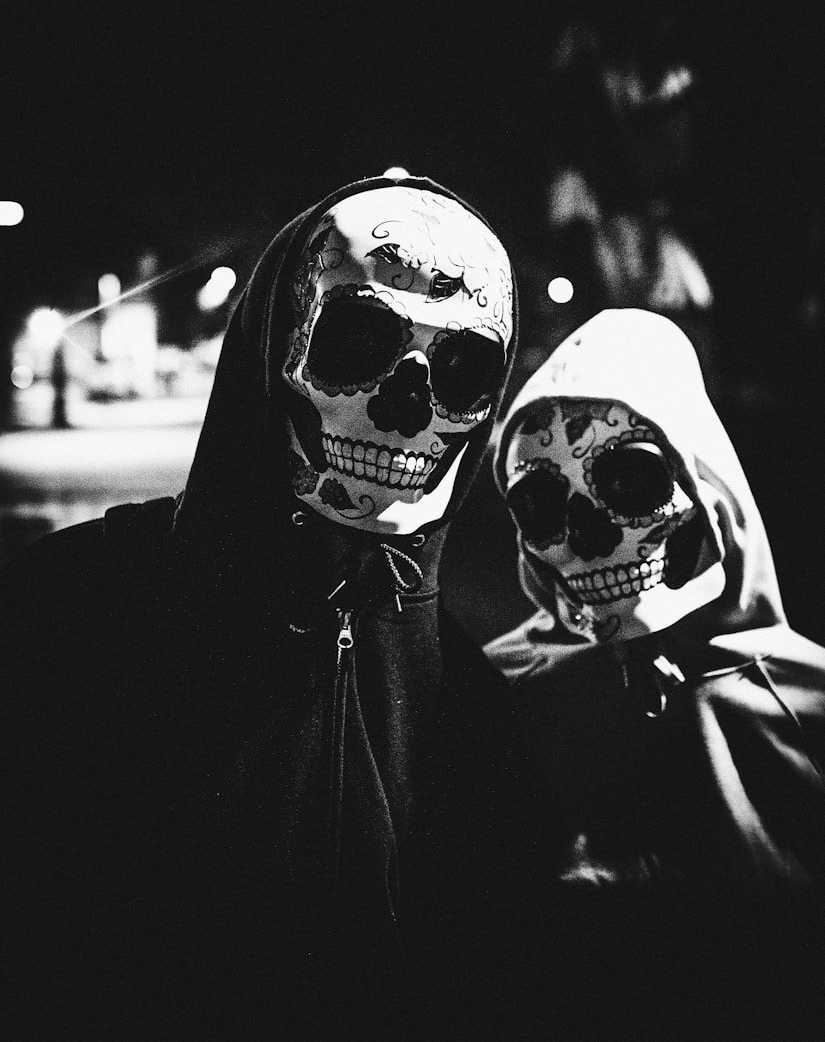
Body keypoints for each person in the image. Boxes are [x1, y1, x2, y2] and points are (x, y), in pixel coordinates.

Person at [2, 173, 531, 1040]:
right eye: (358, 339)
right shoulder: (69, 610)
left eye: (460, 368)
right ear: (271, 346)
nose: (405, 409)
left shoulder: (467, 704)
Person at [485, 308, 825, 1037]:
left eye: (631, 479)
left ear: (704, 486)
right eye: (541, 504)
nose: (588, 535)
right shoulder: (488, 698)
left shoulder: (807, 703)